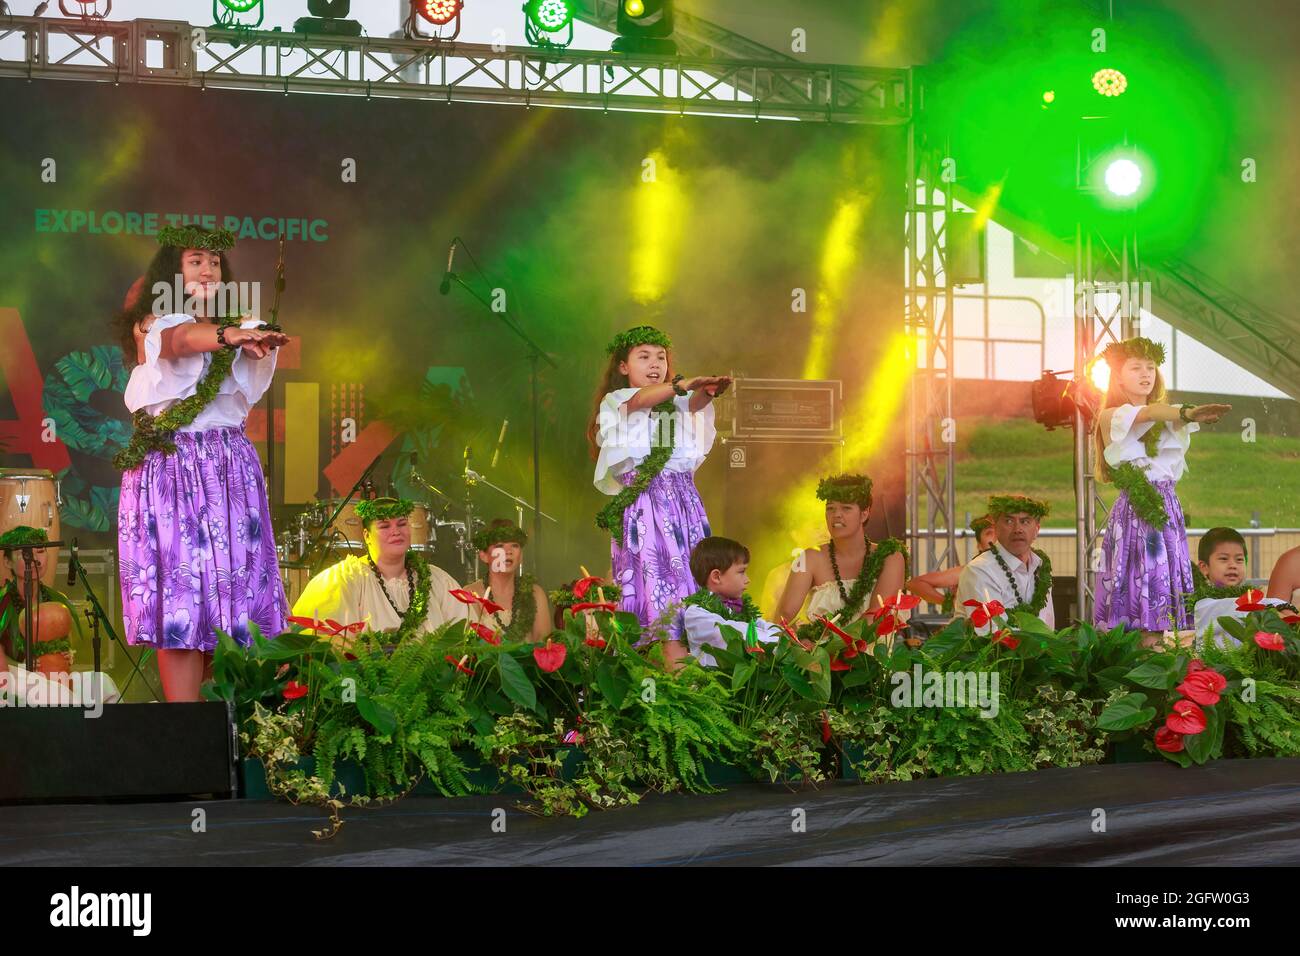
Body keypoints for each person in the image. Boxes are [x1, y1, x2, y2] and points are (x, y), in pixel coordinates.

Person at [112, 226, 291, 702]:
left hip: (229, 468)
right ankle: (187, 736)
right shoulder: (152, 323)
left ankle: (238, 734)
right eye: (195, 260)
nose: (207, 268)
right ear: (173, 271)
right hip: (173, 468)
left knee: (233, 604)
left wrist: (249, 339)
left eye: (213, 260)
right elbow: (182, 341)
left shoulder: (242, 323)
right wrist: (230, 335)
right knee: (182, 599)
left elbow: (240, 354)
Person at [587, 324, 731, 663]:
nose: (655, 364)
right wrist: (679, 385)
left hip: (684, 505)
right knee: (662, 593)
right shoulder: (618, 401)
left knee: (692, 589)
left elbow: (692, 406)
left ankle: (691, 672)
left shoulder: (675, 400)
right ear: (623, 367)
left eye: (661, 357)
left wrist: (707, 392)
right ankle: (666, 667)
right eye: (644, 357)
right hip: (647, 506)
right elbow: (641, 399)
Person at [1091, 336, 1230, 637]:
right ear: (1117, 377)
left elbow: (1162, 416)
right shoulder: (1111, 416)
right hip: (1138, 513)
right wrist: (1189, 412)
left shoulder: (1166, 417)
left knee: (1163, 605)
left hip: (1166, 509)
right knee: (1138, 596)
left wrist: (1185, 417)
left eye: (1151, 368)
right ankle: (1139, 657)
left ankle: (1158, 656)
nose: (1145, 374)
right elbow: (1150, 413)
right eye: (1136, 368)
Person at [292, 498, 469, 646]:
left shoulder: (437, 579)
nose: (396, 532)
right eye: (384, 526)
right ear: (366, 535)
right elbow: (324, 645)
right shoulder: (344, 579)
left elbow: (465, 635)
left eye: (402, 524)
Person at [0, 526, 120, 705]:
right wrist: (23, 666)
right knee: (59, 696)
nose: (35, 559)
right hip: (13, 678)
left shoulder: (57, 600)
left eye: (40, 551)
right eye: (26, 553)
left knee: (103, 683)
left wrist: (67, 654)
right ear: (8, 562)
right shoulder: (3, 602)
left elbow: (67, 645)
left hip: (55, 676)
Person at [775, 473, 908, 626]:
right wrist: (802, 642)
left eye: (846, 508)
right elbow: (783, 615)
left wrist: (833, 647)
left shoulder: (890, 556)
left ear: (864, 514)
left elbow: (875, 618)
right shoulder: (809, 558)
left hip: (870, 648)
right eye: (830, 508)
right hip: (818, 648)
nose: (836, 515)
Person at [672, 536, 780, 668]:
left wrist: (783, 638)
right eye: (741, 572)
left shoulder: (741, 609)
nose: (747, 580)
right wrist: (781, 642)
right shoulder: (696, 614)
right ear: (716, 577)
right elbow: (736, 635)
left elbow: (765, 626)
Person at [955, 495, 1055, 632]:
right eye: (1008, 521)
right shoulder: (980, 570)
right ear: (995, 528)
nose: (1017, 529)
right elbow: (991, 634)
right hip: (992, 652)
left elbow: (1046, 627)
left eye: (1025, 521)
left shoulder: (1040, 567)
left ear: (1037, 529)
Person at [1190, 527, 1291, 648]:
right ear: (1204, 567)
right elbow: (1236, 608)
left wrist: (1283, 607)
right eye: (1224, 559)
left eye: (1239, 559)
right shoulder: (1203, 604)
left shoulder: (1251, 598)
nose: (1233, 565)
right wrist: (1274, 609)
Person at [464, 519, 551, 643]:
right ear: (484, 555)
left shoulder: (535, 593)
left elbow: (544, 645)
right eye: (500, 546)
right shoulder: (470, 593)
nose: (508, 551)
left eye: (514, 545)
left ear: (520, 556)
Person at [906, 514, 996, 611]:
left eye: (1000, 532)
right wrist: (949, 602)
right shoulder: (969, 571)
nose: (996, 537)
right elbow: (915, 583)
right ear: (979, 545)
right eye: (989, 533)